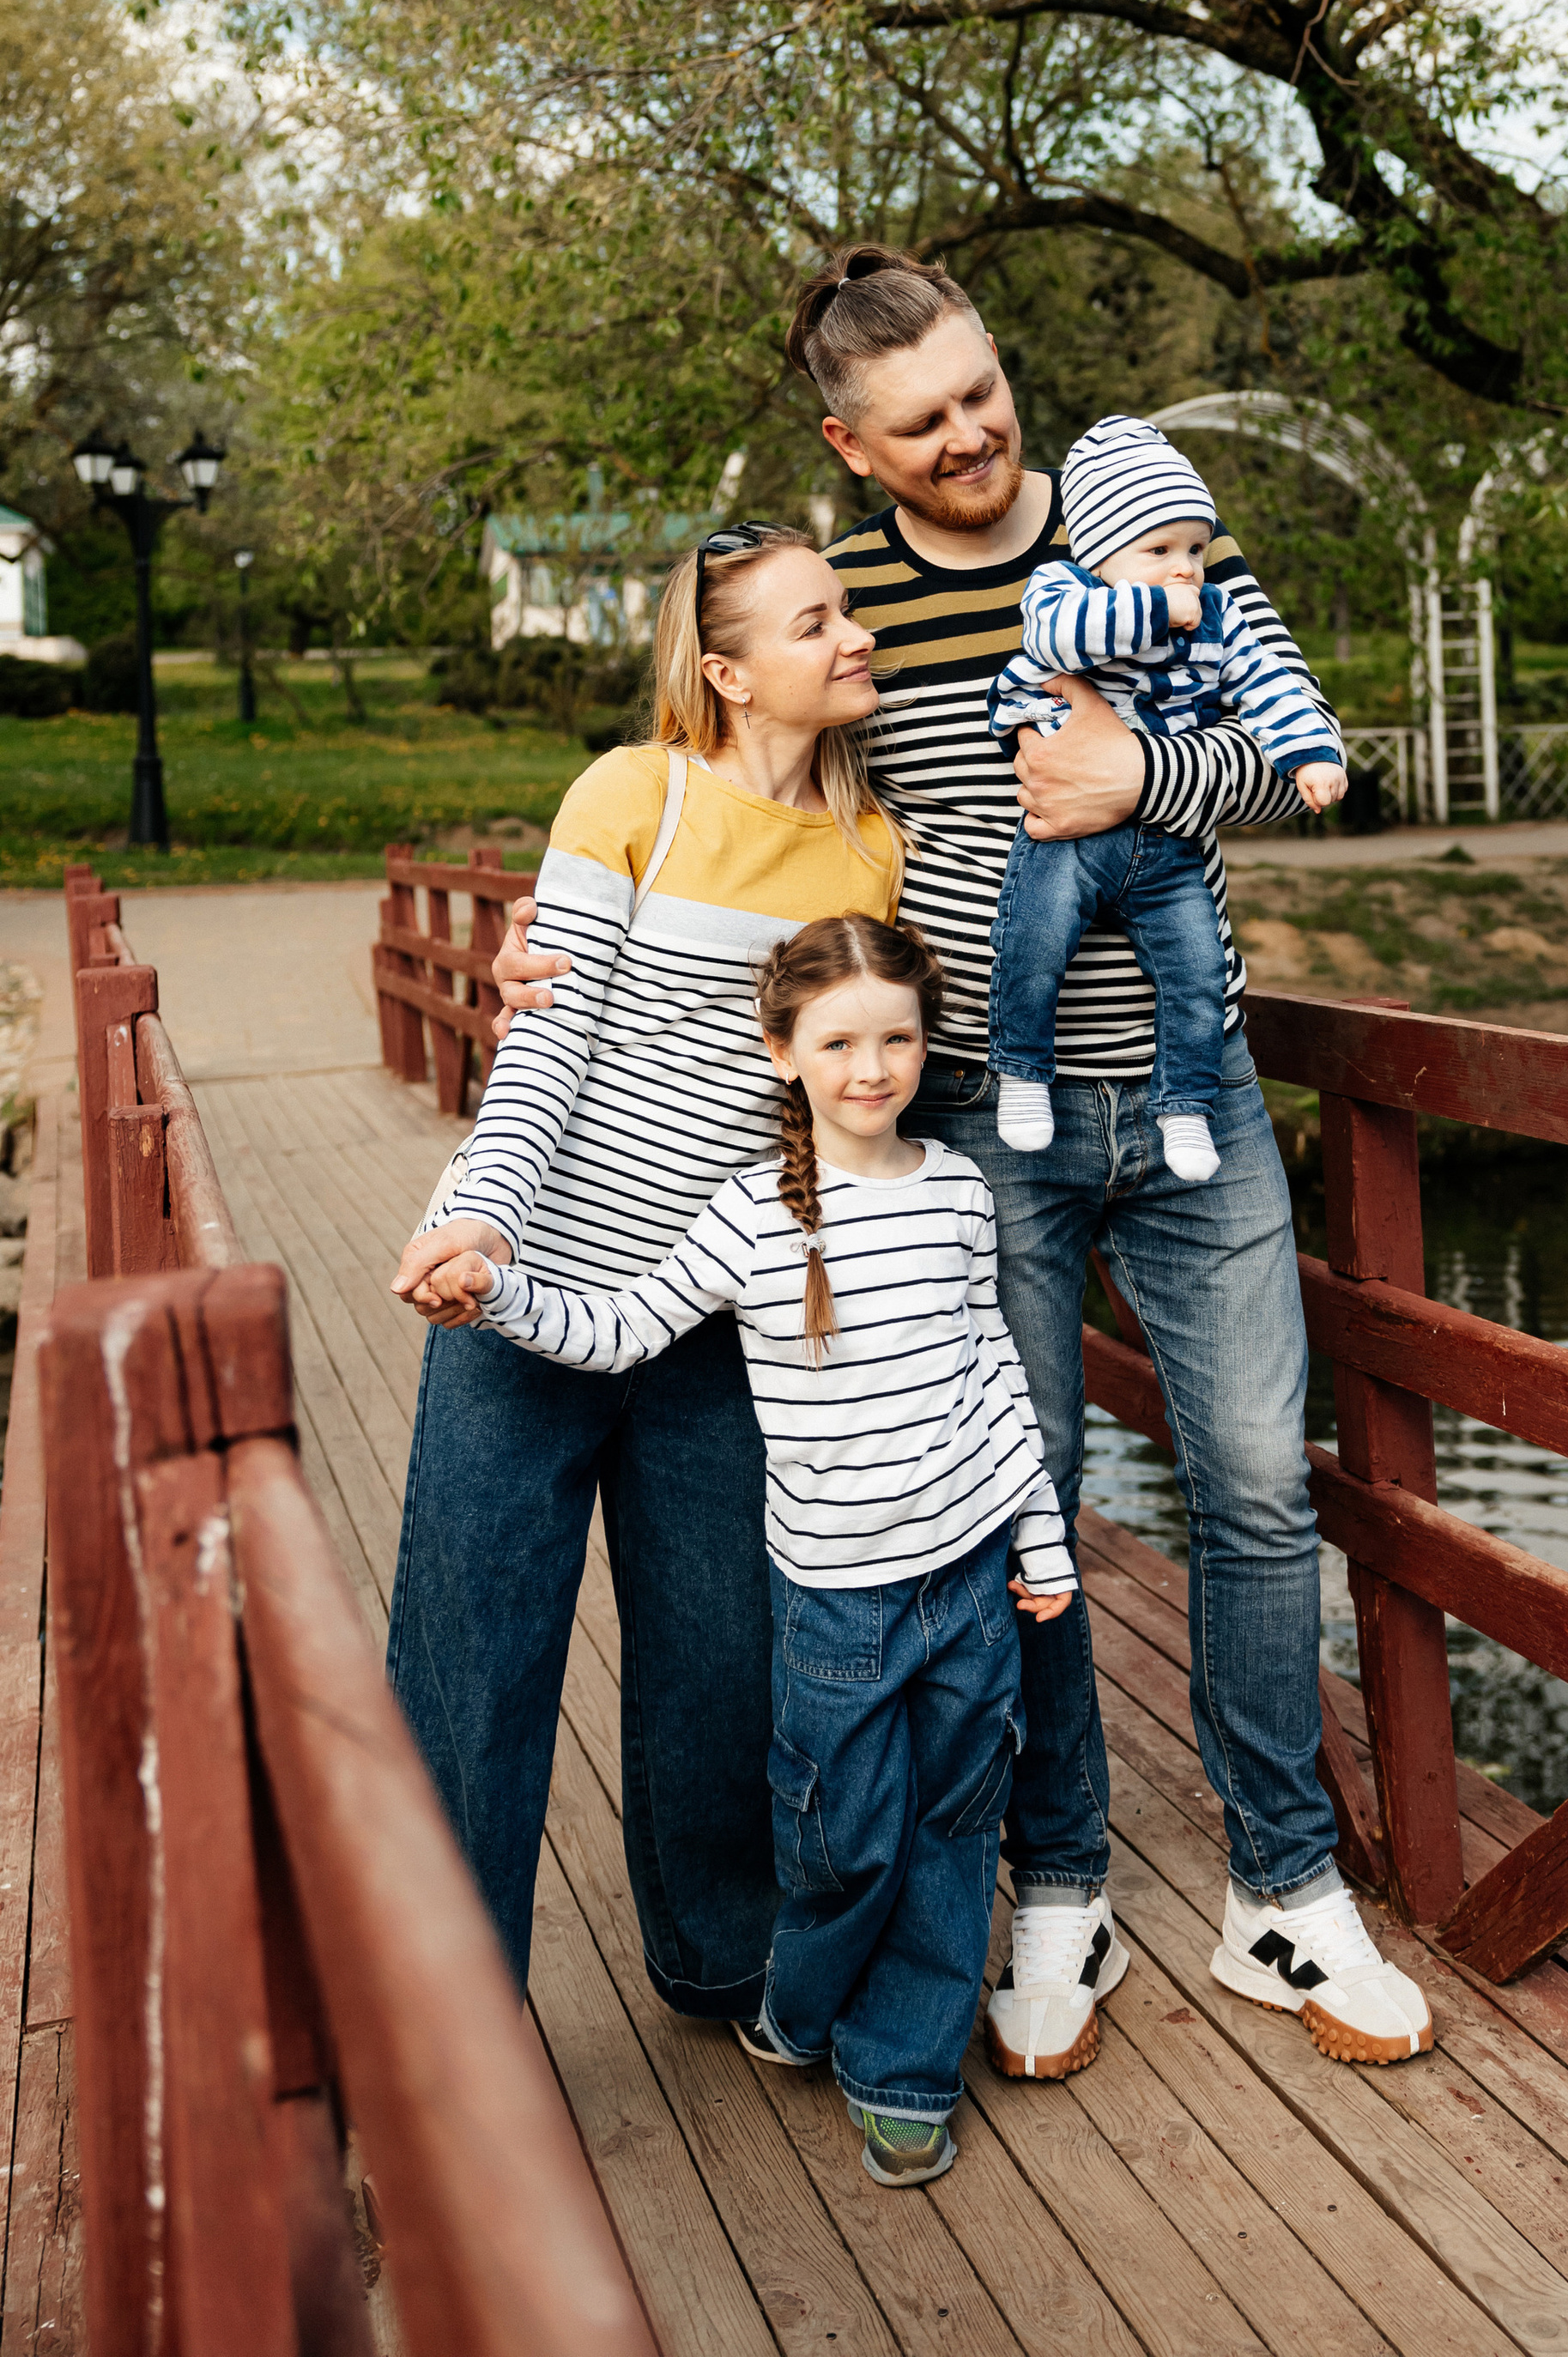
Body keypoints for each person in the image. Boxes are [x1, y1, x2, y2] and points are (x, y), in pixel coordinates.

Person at [487, 246, 1433, 2082]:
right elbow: (746, 810)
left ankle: (1283, 1890)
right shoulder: (841, 611)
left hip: (1189, 1097)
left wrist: (1135, 789)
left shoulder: (1150, 523)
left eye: (981, 394)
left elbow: (1288, 743)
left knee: (1252, 1482)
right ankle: (1057, 1886)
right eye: (919, 427)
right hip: (973, 1129)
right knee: (1032, 1514)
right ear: (852, 448)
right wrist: (557, 935)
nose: (970, 438)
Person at [406, 917, 1072, 2193]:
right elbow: (618, 1332)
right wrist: (498, 1291)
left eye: (897, 1039)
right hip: (836, 1604)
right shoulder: (752, 1218)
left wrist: (1037, 1540)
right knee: (845, 1835)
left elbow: (996, 1378)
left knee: (949, 1830)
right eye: (838, 1042)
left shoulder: (957, 1192)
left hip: (970, 1587)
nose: (871, 1068)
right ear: (784, 1053)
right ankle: (805, 1996)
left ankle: (904, 2074)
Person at [384, 527, 900, 2030]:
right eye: (820, 621)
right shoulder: (637, 795)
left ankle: (721, 1959)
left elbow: (843, 1092)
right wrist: (482, 1224)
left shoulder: (873, 850)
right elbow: (544, 1048)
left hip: (704, 1323)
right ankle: (445, 2027)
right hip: (520, 1298)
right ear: (729, 672)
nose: (854, 635)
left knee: (719, 1665)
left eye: (850, 610)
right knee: (474, 1673)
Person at [987, 414, 1347, 1184]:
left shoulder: (1218, 612)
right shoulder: (1062, 588)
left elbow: (1272, 685)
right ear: (1098, 551)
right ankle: (1021, 1068)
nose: (1186, 568)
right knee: (1035, 940)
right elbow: (1057, 641)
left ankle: (1185, 1104)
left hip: (1169, 845)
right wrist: (1156, 612)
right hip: (1067, 842)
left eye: (1193, 547)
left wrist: (1308, 754)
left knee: (1197, 970)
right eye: (1159, 551)